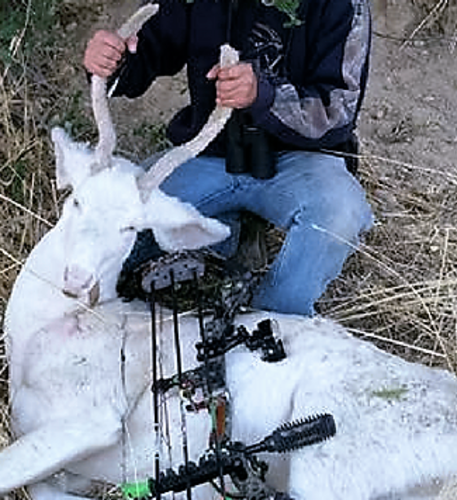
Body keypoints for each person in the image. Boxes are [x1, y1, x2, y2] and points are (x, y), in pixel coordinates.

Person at [84, 0, 374, 316]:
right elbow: (143, 56)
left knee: (340, 214)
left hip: (302, 160)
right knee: (112, 221)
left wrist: (265, 96)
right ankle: (225, 240)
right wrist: (111, 61)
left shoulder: (346, 5)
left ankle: (274, 320)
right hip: (208, 152)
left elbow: (339, 109)